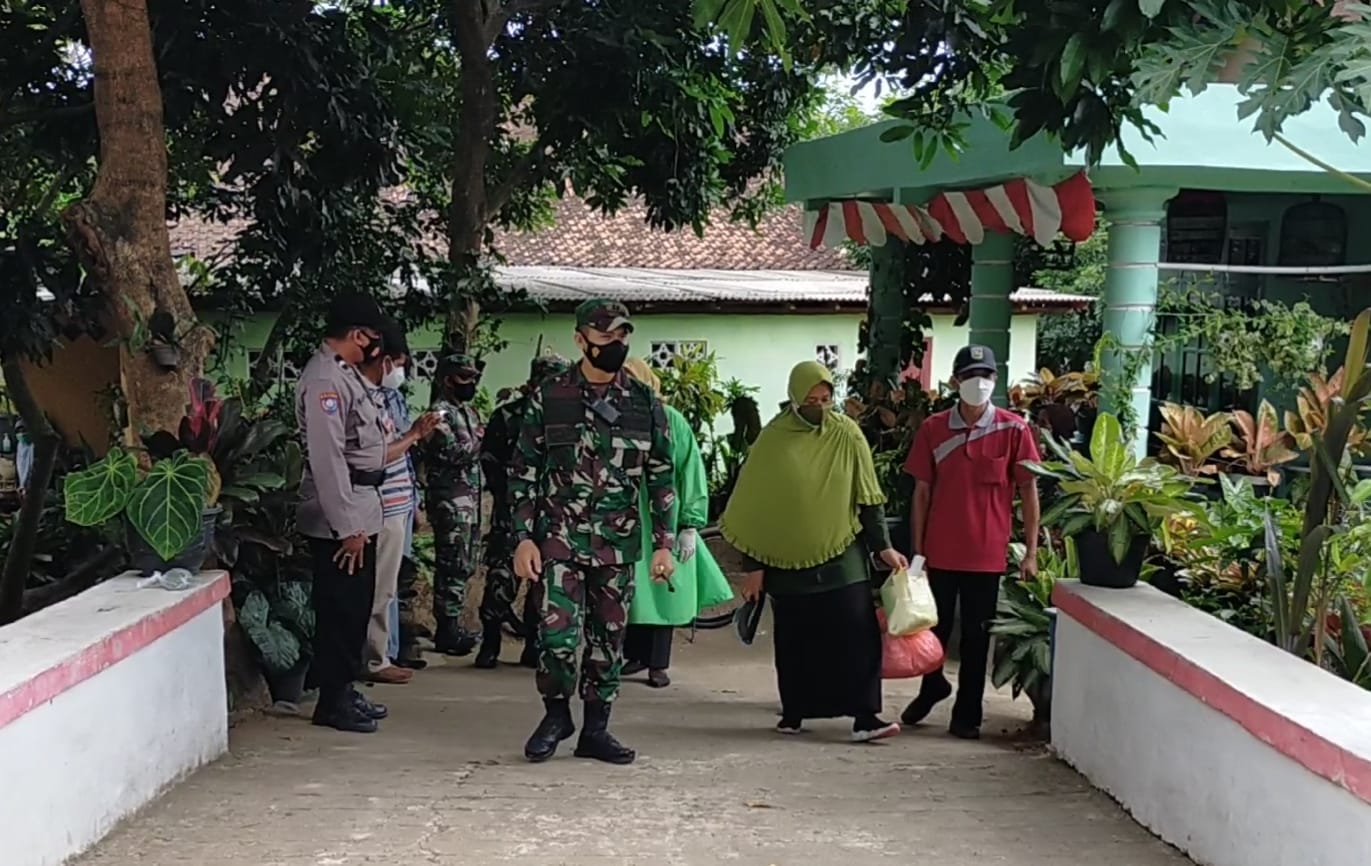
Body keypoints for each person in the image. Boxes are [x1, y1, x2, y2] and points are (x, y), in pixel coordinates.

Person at [511, 299, 676, 766]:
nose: (616, 345)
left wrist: (664, 545)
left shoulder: (645, 404)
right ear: (581, 340)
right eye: (606, 338)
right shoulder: (550, 395)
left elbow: (661, 477)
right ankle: (557, 715)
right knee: (556, 638)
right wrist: (523, 537)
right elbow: (523, 469)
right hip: (559, 539)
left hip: (616, 544)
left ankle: (596, 730)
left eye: (622, 337)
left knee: (608, 642)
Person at [719, 360, 907, 743]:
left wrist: (883, 548)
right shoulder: (772, 442)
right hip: (785, 561)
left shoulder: (847, 435)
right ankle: (795, 711)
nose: (819, 407)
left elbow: (868, 498)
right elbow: (755, 509)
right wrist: (753, 568)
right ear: (793, 399)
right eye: (810, 400)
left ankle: (865, 716)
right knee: (797, 639)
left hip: (843, 553)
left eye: (825, 398)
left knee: (858, 632)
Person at [296, 295, 436, 733]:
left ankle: (344, 690)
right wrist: (348, 527)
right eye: (373, 341)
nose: (376, 351)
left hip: (363, 504)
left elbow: (368, 448)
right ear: (358, 336)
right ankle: (332, 701)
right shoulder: (324, 381)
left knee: (355, 607)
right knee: (340, 608)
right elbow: (329, 460)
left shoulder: (346, 377)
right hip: (343, 514)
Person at [901, 344, 1041, 740]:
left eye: (987, 376)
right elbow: (922, 493)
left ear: (996, 381)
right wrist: (918, 551)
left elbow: (1029, 492)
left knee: (978, 638)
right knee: (933, 632)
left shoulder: (1015, 429)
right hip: (940, 552)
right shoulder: (934, 429)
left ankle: (968, 716)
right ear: (955, 381)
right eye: (970, 376)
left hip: (987, 555)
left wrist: (1031, 552)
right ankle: (932, 687)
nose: (979, 384)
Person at [620, 356, 733, 688]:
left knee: (662, 589)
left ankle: (657, 664)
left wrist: (690, 523)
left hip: (664, 519)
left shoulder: (671, 420)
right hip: (626, 519)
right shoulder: (614, 419)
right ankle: (634, 656)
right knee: (631, 592)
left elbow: (690, 471)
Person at [475, 351, 572, 670]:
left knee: (542, 584)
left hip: (552, 513)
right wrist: (509, 495)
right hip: (514, 512)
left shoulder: (566, 417)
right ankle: (490, 643)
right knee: (502, 579)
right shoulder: (508, 415)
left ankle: (534, 644)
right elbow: (489, 459)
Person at [359, 319, 419, 685]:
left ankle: (385, 651)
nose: (399, 371)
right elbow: (380, 453)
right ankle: (375, 659)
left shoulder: (388, 396)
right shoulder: (365, 397)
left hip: (400, 500)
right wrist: (414, 435)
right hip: (381, 503)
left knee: (390, 583)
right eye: (397, 363)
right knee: (380, 585)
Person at [421, 353, 485, 657]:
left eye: (473, 378)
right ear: (447, 379)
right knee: (451, 563)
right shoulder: (439, 414)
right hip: (449, 500)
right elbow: (451, 452)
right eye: (464, 378)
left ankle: (455, 623)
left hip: (469, 499)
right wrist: (480, 443)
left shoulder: (468, 413)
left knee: (465, 563)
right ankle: (446, 629)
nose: (470, 383)